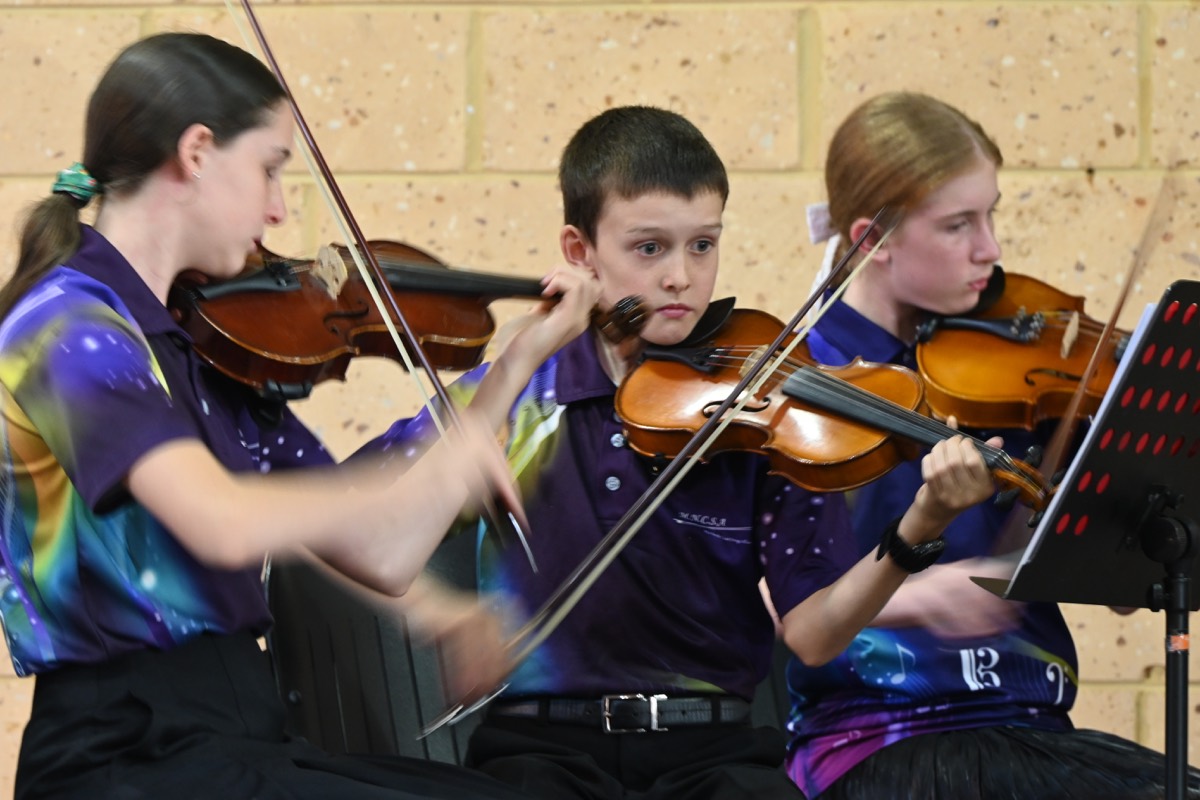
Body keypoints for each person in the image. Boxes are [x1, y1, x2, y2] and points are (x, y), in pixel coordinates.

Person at [0, 32, 599, 800]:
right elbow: (221, 522)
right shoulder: (68, 328)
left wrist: (514, 366)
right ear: (197, 151)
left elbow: (383, 551)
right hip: (123, 757)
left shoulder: (205, 349)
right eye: (270, 168)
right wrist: (438, 470)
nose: (281, 209)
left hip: (234, 737)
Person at [380, 105, 999, 800]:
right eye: (649, 248)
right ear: (580, 252)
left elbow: (814, 634)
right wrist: (438, 612)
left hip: (715, 754)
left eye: (702, 245)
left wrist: (918, 530)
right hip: (539, 751)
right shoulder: (516, 398)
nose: (681, 276)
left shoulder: (762, 409)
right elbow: (355, 526)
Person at [785, 90, 1200, 799]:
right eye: (958, 225)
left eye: (991, 215)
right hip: (878, 738)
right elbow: (776, 608)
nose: (991, 249)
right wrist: (918, 594)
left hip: (1031, 728)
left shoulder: (1014, 372)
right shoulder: (802, 382)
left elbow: (1126, 591)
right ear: (872, 240)